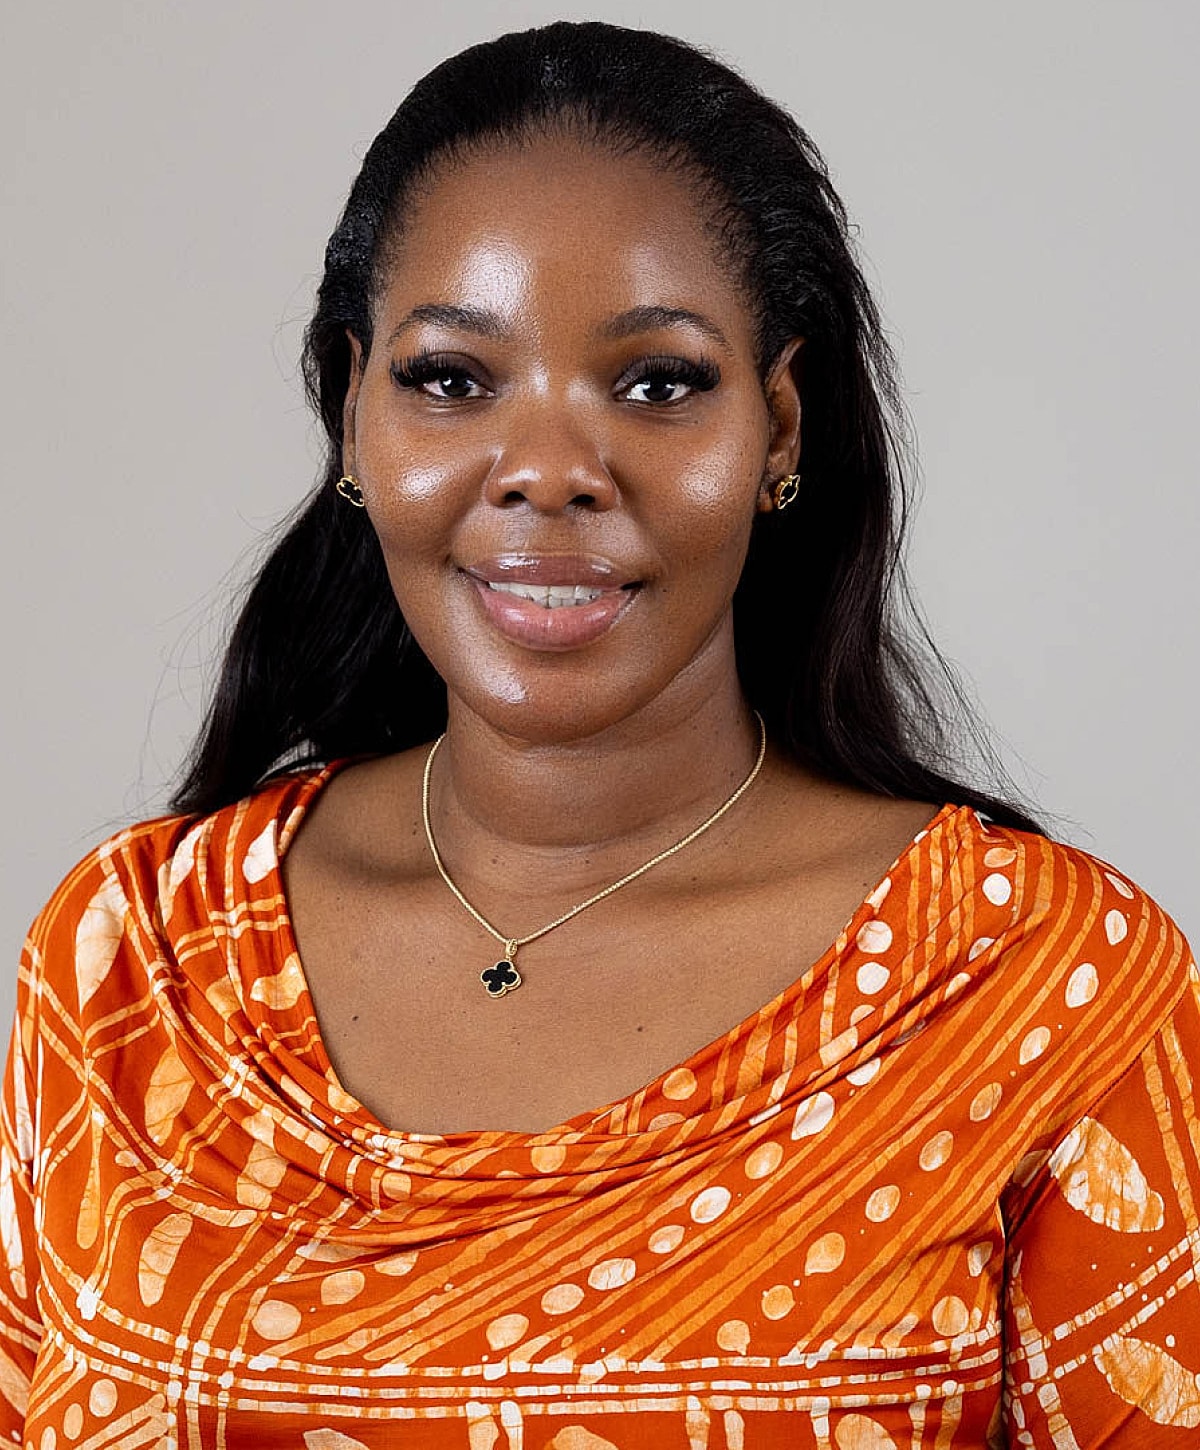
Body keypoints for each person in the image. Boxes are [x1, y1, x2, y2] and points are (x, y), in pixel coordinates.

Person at [1, 19, 1195, 1448]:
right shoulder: (133, 959)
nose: (552, 472)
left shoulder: (1042, 987)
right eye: (452, 379)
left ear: (780, 429)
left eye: (658, 383)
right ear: (349, 415)